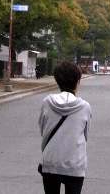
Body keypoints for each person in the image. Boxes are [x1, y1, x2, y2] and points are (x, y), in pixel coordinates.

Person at [38, 61, 92, 194]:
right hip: (74, 163)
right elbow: (85, 135)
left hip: (51, 161)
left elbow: (42, 129)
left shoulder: (47, 102)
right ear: (78, 81)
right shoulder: (85, 107)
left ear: (57, 81)